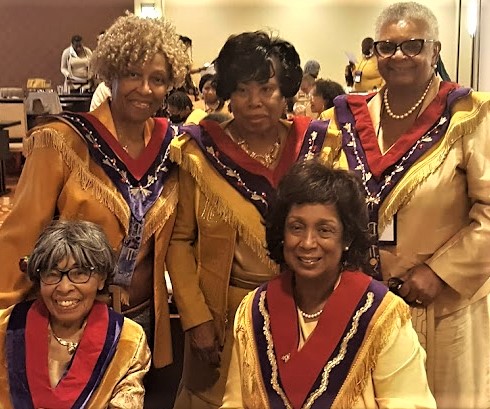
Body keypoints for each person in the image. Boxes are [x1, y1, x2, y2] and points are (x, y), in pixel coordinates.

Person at [0, 13, 190, 407]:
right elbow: (18, 237)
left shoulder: (173, 148)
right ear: (110, 74)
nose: (145, 89)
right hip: (70, 315)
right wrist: (5, 321)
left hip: (143, 319)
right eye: (133, 74)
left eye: (157, 79)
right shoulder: (61, 142)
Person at [324, 2, 490, 408]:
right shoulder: (346, 119)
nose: (399, 55)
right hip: (362, 300)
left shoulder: (470, 116)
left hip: (443, 306)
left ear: (435, 52)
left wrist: (440, 272)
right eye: (386, 46)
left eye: (413, 45)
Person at [166, 30, 334, 409]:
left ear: (287, 91)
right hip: (222, 315)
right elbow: (178, 241)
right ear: (226, 91)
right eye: (242, 90)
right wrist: (195, 319)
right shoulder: (199, 153)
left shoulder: (318, 147)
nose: (255, 102)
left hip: (303, 308)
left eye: (267, 88)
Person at [221, 160, 436, 408]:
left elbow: (408, 403)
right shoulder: (255, 310)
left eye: (324, 230)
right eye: (297, 227)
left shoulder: (382, 314)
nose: (308, 243)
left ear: (347, 238)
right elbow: (234, 403)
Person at [0, 219, 151, 408]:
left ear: (102, 279)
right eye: (52, 274)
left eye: (80, 274)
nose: (64, 288)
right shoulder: (6, 326)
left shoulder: (127, 340)